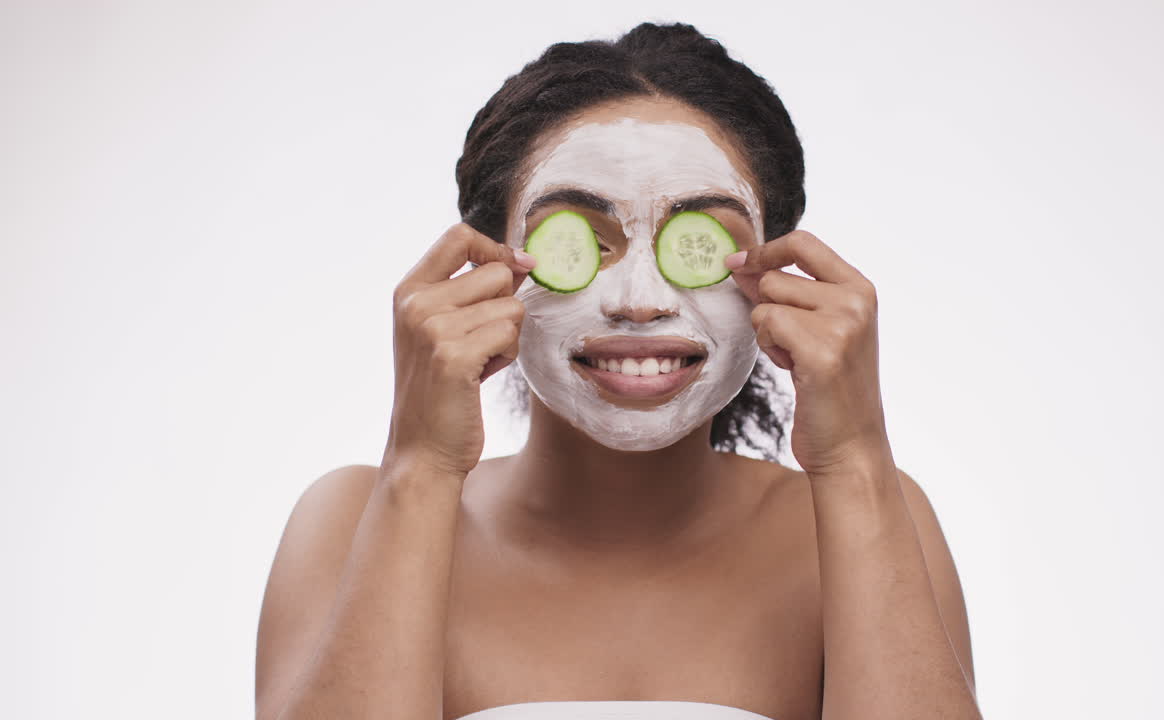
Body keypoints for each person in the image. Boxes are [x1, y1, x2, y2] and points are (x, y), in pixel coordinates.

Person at [255, 21, 980, 720]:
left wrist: (855, 458)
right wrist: (420, 463)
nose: (640, 303)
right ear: (487, 272)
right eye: (582, 242)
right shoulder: (352, 522)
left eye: (695, 247)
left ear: (778, 272)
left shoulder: (871, 517)